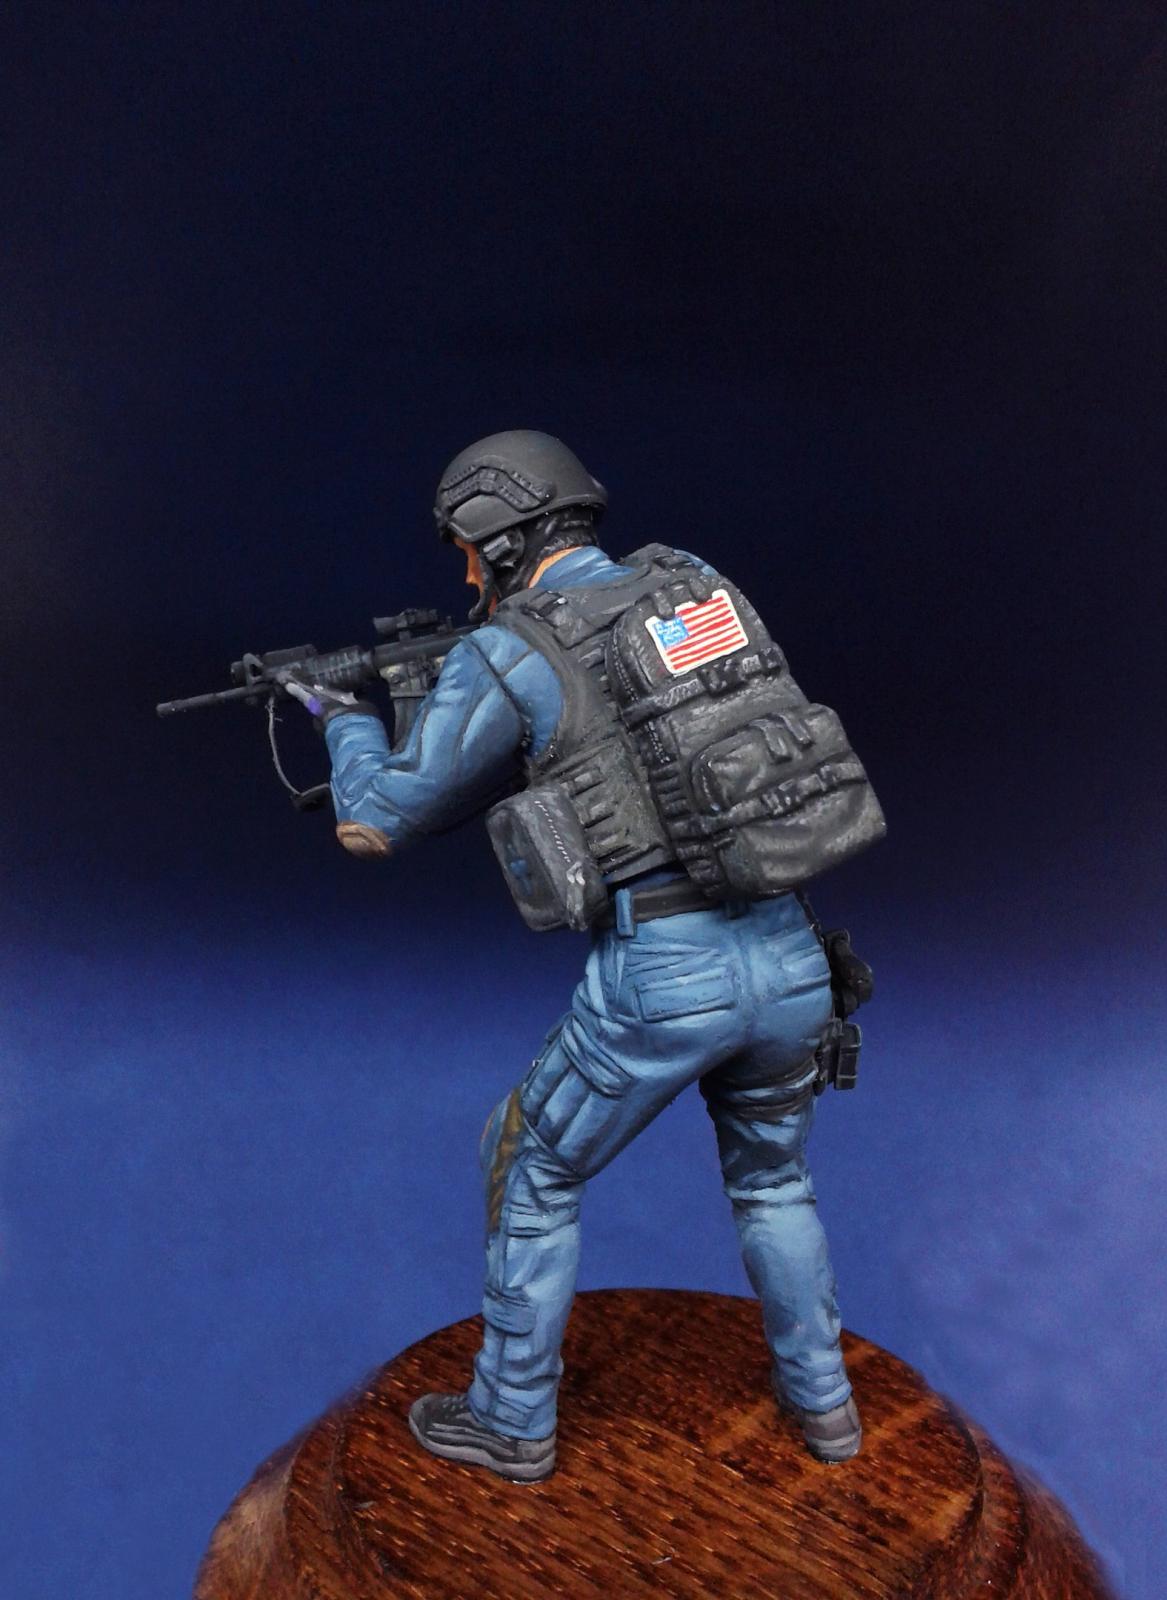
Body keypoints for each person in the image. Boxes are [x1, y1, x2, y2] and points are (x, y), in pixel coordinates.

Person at [286, 430, 867, 1483]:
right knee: (775, 1185)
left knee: (527, 1165)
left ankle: (512, 1419)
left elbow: (377, 819)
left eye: (469, 551)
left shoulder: (508, 649)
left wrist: (342, 717)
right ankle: (827, 1408)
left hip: (665, 975)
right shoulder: (692, 584)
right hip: (792, 953)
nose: (466, 574)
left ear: (503, 540)